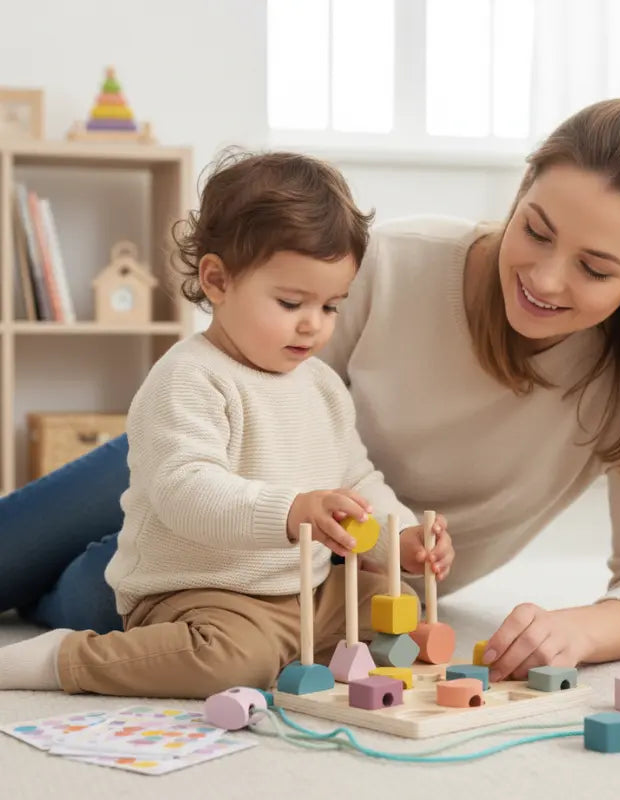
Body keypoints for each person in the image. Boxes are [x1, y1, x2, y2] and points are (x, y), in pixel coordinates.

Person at [0, 98, 620, 683]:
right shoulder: (400, 263)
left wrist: (579, 631)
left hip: (326, 573)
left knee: (102, 594)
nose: (545, 278)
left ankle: (54, 598)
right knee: (32, 546)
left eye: (595, 269)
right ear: (522, 188)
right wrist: (277, 509)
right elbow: (247, 378)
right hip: (227, 470)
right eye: (535, 229)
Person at [0, 151, 454, 696]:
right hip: (204, 590)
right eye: (291, 302)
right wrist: (288, 512)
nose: (313, 325)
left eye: (332, 306)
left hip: (305, 588)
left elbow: (358, 482)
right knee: (232, 664)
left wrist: (399, 535)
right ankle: (64, 658)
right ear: (216, 280)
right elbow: (186, 491)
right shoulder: (189, 377)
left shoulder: (322, 387)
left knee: (401, 603)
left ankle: (301, 646)